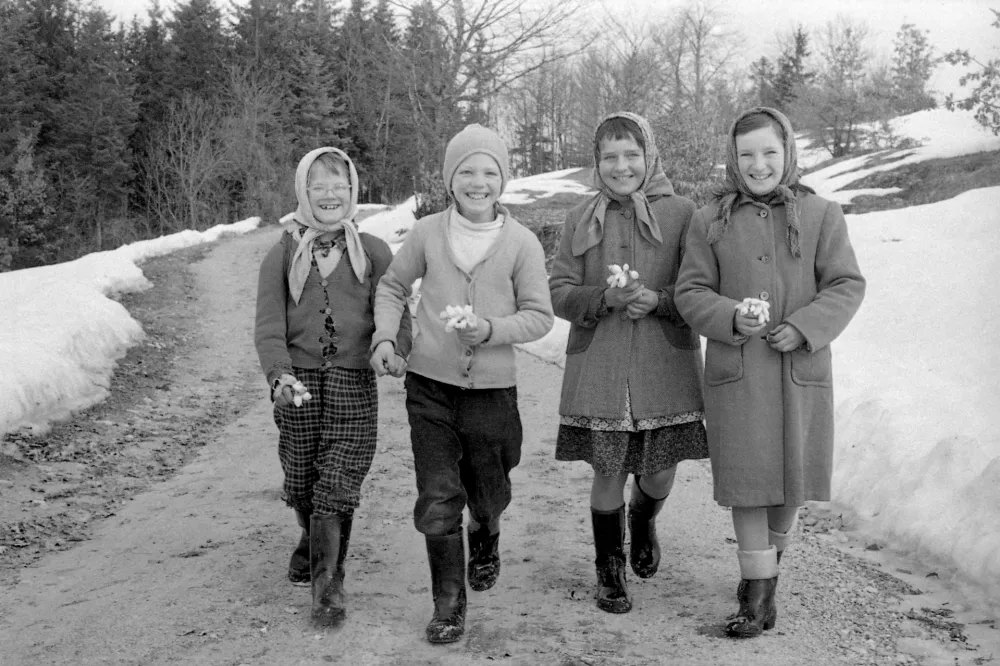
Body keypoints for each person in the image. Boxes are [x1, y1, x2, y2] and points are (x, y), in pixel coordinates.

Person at [674, 107, 866, 638]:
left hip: (799, 370)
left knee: (790, 487)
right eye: (746, 155)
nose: (758, 165)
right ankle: (756, 595)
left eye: (769, 152)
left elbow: (846, 284)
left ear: (788, 152)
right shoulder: (709, 217)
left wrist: (805, 326)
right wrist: (730, 315)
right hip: (738, 374)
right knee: (747, 484)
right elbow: (690, 291)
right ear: (732, 160)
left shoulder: (822, 213)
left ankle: (769, 568)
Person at [370, 124, 554, 644]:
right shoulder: (429, 232)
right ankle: (448, 602)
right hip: (429, 385)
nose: (478, 182)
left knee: (488, 488)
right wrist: (387, 339)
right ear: (450, 180)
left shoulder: (521, 243)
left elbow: (540, 317)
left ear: (504, 180)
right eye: (466, 171)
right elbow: (391, 286)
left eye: (490, 172)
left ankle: (487, 528)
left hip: (494, 391)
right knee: (438, 492)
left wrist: (491, 329)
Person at [549, 112, 709, 614]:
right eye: (610, 157)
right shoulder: (581, 217)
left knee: (660, 472)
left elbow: (700, 288)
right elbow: (559, 292)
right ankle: (609, 572)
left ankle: (644, 517)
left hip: (665, 365)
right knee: (607, 471)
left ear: (650, 157)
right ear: (596, 162)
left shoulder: (683, 213)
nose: (622, 166)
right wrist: (604, 299)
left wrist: (659, 300)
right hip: (600, 367)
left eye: (631, 155)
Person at [254, 147, 412, 627]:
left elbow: (398, 310)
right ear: (303, 190)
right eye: (318, 185)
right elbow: (267, 326)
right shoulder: (281, 253)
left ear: (353, 191)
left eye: (338, 185)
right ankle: (311, 536)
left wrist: (394, 347)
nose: (329, 194)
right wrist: (279, 374)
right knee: (302, 479)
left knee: (338, 480)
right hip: (297, 385)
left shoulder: (374, 251)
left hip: (352, 383)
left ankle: (329, 582)